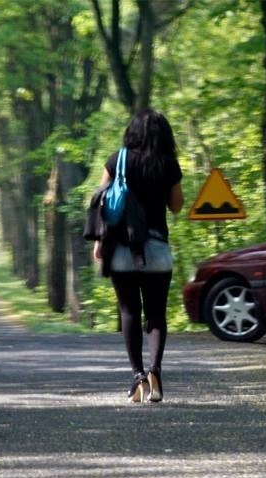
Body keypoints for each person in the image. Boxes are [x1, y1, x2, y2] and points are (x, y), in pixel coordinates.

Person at [93, 109, 184, 403]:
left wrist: (98, 241)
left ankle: (137, 378)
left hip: (121, 248)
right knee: (156, 314)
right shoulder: (168, 164)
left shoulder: (117, 160)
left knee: (129, 311)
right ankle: (156, 372)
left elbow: (102, 202)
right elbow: (177, 206)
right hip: (157, 248)